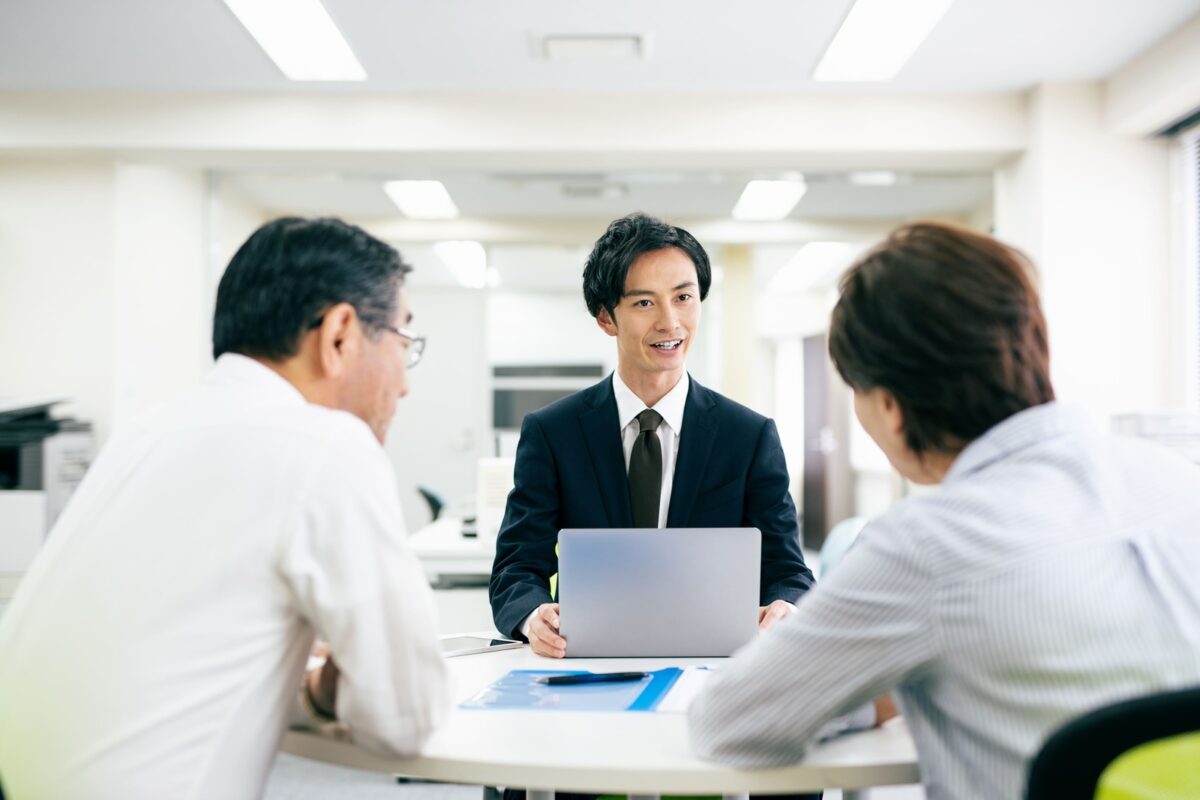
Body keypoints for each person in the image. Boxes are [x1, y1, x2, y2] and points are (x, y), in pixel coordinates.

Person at [688, 222, 1200, 799]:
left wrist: (872, 689)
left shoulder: (927, 545)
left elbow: (727, 724)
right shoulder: (1177, 480)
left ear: (888, 406)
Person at [0, 217, 450, 799]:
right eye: (402, 342)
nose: (405, 385)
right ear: (340, 333)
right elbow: (405, 720)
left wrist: (310, 686)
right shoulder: (326, 445)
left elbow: (189, 668)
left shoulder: (148, 432)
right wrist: (348, 677)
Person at [489, 213, 815, 657]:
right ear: (607, 317)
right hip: (587, 660)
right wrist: (533, 615)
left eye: (684, 297)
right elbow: (517, 566)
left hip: (715, 664)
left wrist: (784, 606)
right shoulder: (553, 432)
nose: (670, 322)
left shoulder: (749, 435)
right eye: (645, 303)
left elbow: (787, 570)